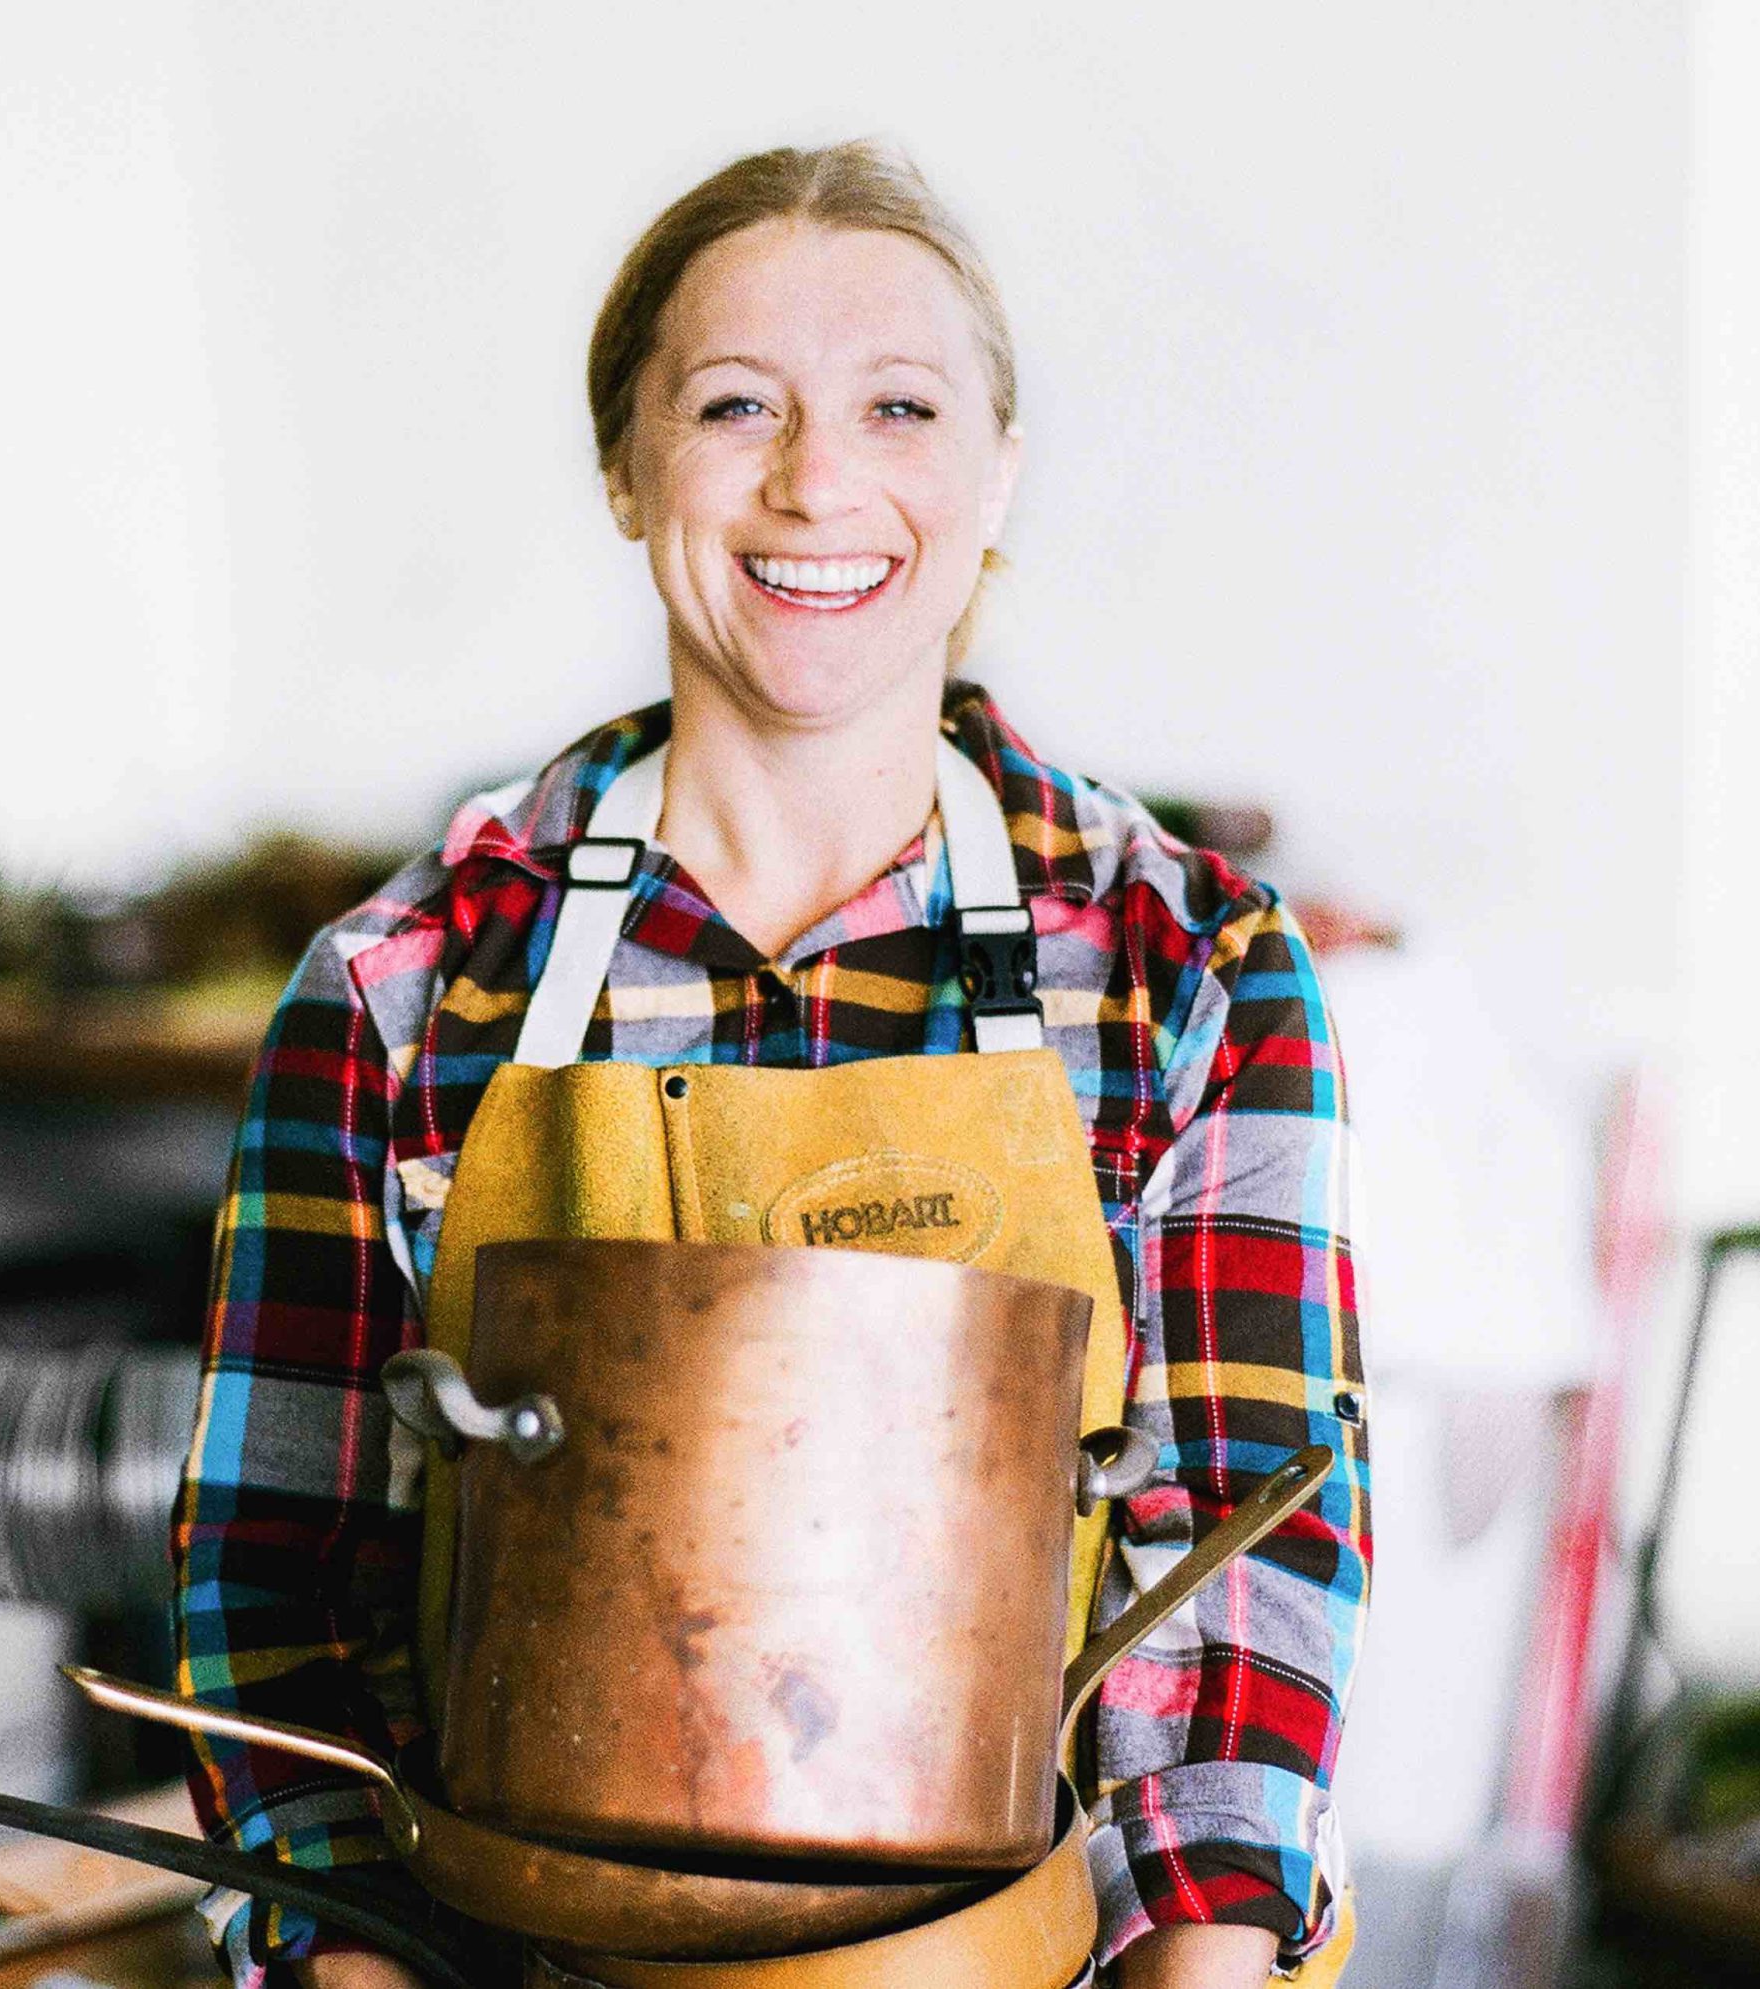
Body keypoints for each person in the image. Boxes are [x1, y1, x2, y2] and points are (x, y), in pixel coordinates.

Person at [173, 140, 1371, 1989]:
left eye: (902, 405)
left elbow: (1235, 1581)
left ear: (998, 476)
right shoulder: (400, 990)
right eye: (739, 405)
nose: (822, 479)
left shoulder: (1193, 973)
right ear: (627, 466)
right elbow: (274, 1587)